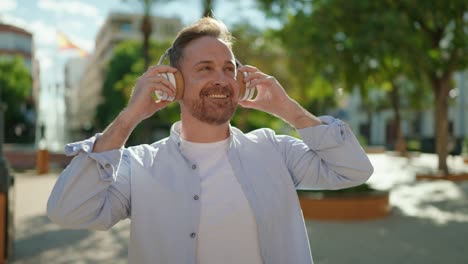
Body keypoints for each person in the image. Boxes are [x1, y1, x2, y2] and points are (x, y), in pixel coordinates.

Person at [47, 17, 373, 264]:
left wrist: (288, 110)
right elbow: (68, 211)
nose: (221, 78)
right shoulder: (138, 166)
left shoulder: (276, 150)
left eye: (228, 69)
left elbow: (354, 170)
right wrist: (128, 117)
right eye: (204, 68)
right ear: (175, 83)